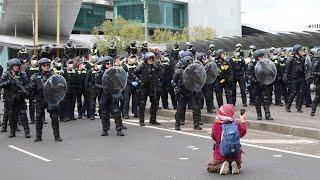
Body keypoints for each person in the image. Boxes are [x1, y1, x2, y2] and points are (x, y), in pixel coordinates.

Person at [207, 104, 247, 175]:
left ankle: (221, 165)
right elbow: (243, 132)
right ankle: (234, 164)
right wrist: (242, 120)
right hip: (235, 155)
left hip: (220, 155)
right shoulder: (235, 123)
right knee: (238, 164)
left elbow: (213, 136)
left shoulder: (217, 124)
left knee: (210, 166)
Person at [30, 58, 62, 142]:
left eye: (48, 65)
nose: (46, 67)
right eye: (44, 65)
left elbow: (58, 85)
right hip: (40, 98)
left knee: (54, 117)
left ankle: (57, 136)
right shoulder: (35, 76)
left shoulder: (53, 75)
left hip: (50, 98)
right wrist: (31, 87)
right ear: (40, 66)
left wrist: (59, 87)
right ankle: (38, 136)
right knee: (38, 117)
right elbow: (31, 88)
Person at [0, 58, 31, 138]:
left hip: (20, 97)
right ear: (11, 66)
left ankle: (27, 132)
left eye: (18, 65)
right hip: (10, 98)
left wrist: (23, 89)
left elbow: (28, 85)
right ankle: (12, 132)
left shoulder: (22, 74)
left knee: (23, 114)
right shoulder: (6, 75)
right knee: (11, 115)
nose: (17, 67)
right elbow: (1, 84)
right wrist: (9, 82)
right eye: (15, 66)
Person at [95, 56, 125, 136]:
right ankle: (105, 130)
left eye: (110, 63)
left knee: (116, 111)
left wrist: (119, 90)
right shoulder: (100, 73)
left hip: (113, 94)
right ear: (104, 64)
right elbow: (96, 84)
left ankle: (119, 129)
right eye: (107, 63)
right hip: (105, 94)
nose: (109, 65)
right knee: (104, 112)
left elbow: (120, 82)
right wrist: (102, 87)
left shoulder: (116, 72)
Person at [173, 55, 203, 131]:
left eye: (191, 62)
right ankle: (177, 125)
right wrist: (176, 88)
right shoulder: (179, 71)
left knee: (196, 108)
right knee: (180, 109)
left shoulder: (193, 71)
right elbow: (173, 81)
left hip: (190, 92)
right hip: (182, 93)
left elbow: (197, 80)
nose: (190, 63)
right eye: (189, 62)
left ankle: (196, 125)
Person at [135, 52, 161, 126]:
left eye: (152, 58)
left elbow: (158, 75)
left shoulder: (155, 67)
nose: (151, 60)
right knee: (142, 104)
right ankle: (141, 120)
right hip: (144, 87)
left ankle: (153, 120)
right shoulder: (141, 66)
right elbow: (134, 74)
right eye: (149, 58)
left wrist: (157, 83)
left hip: (152, 87)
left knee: (155, 104)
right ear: (146, 59)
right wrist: (139, 81)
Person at [246, 49, 274, 120]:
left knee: (266, 99)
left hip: (264, 83)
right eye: (260, 56)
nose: (262, 58)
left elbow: (268, 72)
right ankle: (259, 114)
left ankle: (268, 114)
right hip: (255, 85)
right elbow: (248, 75)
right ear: (256, 57)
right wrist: (254, 80)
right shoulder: (252, 64)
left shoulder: (264, 63)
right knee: (257, 100)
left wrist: (270, 74)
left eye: (262, 56)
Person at [284, 44, 306, 113]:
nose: (302, 51)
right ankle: (288, 107)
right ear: (296, 51)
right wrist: (285, 75)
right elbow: (287, 69)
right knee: (293, 93)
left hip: (301, 78)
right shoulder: (291, 60)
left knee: (301, 93)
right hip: (294, 78)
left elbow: (305, 69)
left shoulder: (303, 59)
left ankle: (299, 107)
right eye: (300, 50)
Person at [25, 57, 39, 124]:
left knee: (40, 104)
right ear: (31, 61)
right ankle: (32, 119)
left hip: (38, 88)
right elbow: (26, 79)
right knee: (32, 105)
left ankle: (42, 118)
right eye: (33, 59)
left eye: (36, 59)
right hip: (31, 89)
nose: (35, 61)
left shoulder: (39, 68)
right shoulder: (27, 69)